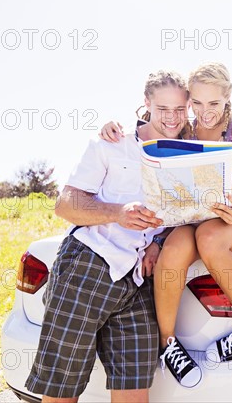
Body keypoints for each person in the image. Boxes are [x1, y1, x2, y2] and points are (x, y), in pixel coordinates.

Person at [99, 61, 232, 386]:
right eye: (196, 103)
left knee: (210, 237)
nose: (204, 111)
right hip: (196, 216)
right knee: (177, 244)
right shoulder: (187, 131)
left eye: (213, 103)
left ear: (227, 97)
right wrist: (114, 127)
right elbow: (150, 132)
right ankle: (168, 343)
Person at [25, 70, 196, 403]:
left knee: (134, 390)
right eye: (163, 108)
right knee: (62, 389)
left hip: (138, 280)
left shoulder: (186, 157)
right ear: (146, 103)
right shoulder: (111, 143)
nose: (172, 118)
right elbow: (65, 204)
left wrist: (158, 244)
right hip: (87, 267)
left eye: (179, 109)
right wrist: (118, 213)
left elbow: (184, 216)